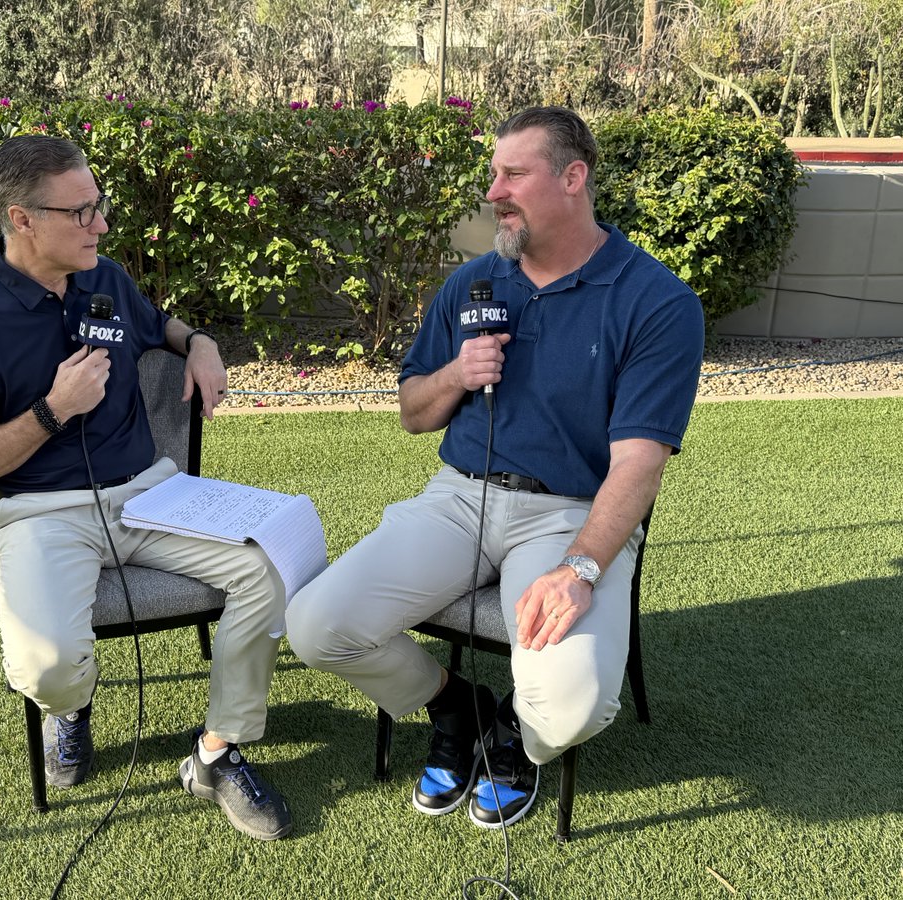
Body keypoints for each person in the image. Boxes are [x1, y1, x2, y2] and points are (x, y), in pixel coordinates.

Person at [287, 106, 703, 829]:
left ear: (573, 178)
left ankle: (516, 728)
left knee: (574, 702)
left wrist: (579, 568)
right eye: (493, 174)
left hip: (570, 513)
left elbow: (638, 467)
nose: (494, 191)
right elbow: (415, 412)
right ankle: (458, 707)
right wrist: (456, 372)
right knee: (317, 624)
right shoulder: (476, 281)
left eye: (513, 173)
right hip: (458, 499)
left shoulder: (657, 301)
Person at [0, 134, 292, 841]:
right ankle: (72, 707)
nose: (100, 224)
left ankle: (216, 753)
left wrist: (203, 343)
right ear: (22, 219)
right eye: (81, 212)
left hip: (148, 495)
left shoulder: (106, 279)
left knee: (266, 564)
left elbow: (165, 327)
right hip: (40, 513)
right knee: (51, 664)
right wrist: (51, 411)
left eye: (100, 206)